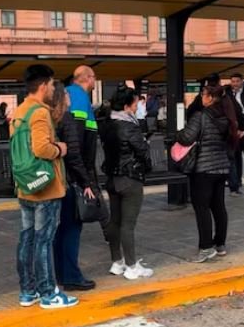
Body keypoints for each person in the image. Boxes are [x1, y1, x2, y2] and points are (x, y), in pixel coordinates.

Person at [12, 65, 76, 309]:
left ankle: (28, 291)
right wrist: (60, 148)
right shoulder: (39, 112)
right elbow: (41, 148)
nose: (52, 89)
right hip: (45, 187)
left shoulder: (20, 111)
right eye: (50, 84)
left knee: (27, 238)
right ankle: (49, 293)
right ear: (42, 86)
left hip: (26, 184)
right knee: (44, 240)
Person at [100, 87, 153, 280]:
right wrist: (147, 165)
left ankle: (117, 262)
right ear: (126, 106)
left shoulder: (107, 124)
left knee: (115, 221)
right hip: (130, 178)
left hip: (112, 179)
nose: (137, 106)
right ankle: (132, 266)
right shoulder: (130, 126)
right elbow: (142, 152)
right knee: (128, 224)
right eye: (135, 103)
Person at [179, 79, 233, 262]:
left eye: (203, 94)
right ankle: (220, 244)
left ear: (210, 98)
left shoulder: (201, 116)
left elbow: (187, 137)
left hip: (203, 168)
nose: (201, 97)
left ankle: (206, 248)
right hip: (221, 166)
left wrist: (178, 134)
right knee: (218, 206)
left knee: (201, 208)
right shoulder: (225, 116)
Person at [51, 86, 98, 293]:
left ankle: (60, 274)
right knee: (72, 229)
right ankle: (72, 276)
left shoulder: (50, 119)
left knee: (58, 230)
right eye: (67, 94)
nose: (70, 96)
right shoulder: (67, 118)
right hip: (69, 182)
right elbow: (74, 155)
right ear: (62, 98)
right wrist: (86, 182)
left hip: (54, 182)